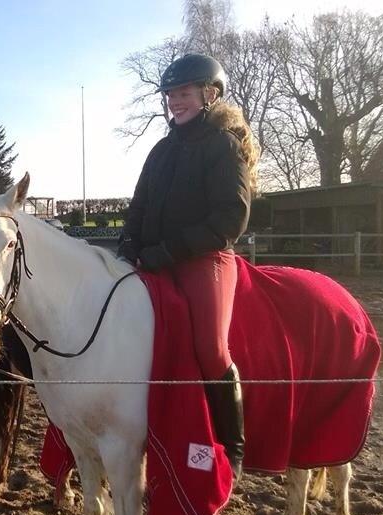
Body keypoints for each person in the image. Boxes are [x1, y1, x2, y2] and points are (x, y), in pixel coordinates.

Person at [117, 53, 258, 478]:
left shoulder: (223, 146)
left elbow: (229, 220)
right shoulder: (161, 150)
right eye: (170, 94)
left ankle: (232, 446)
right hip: (155, 258)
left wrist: (166, 251)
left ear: (209, 94)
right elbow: (139, 206)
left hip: (204, 258)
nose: (174, 101)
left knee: (210, 348)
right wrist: (128, 245)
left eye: (183, 93)